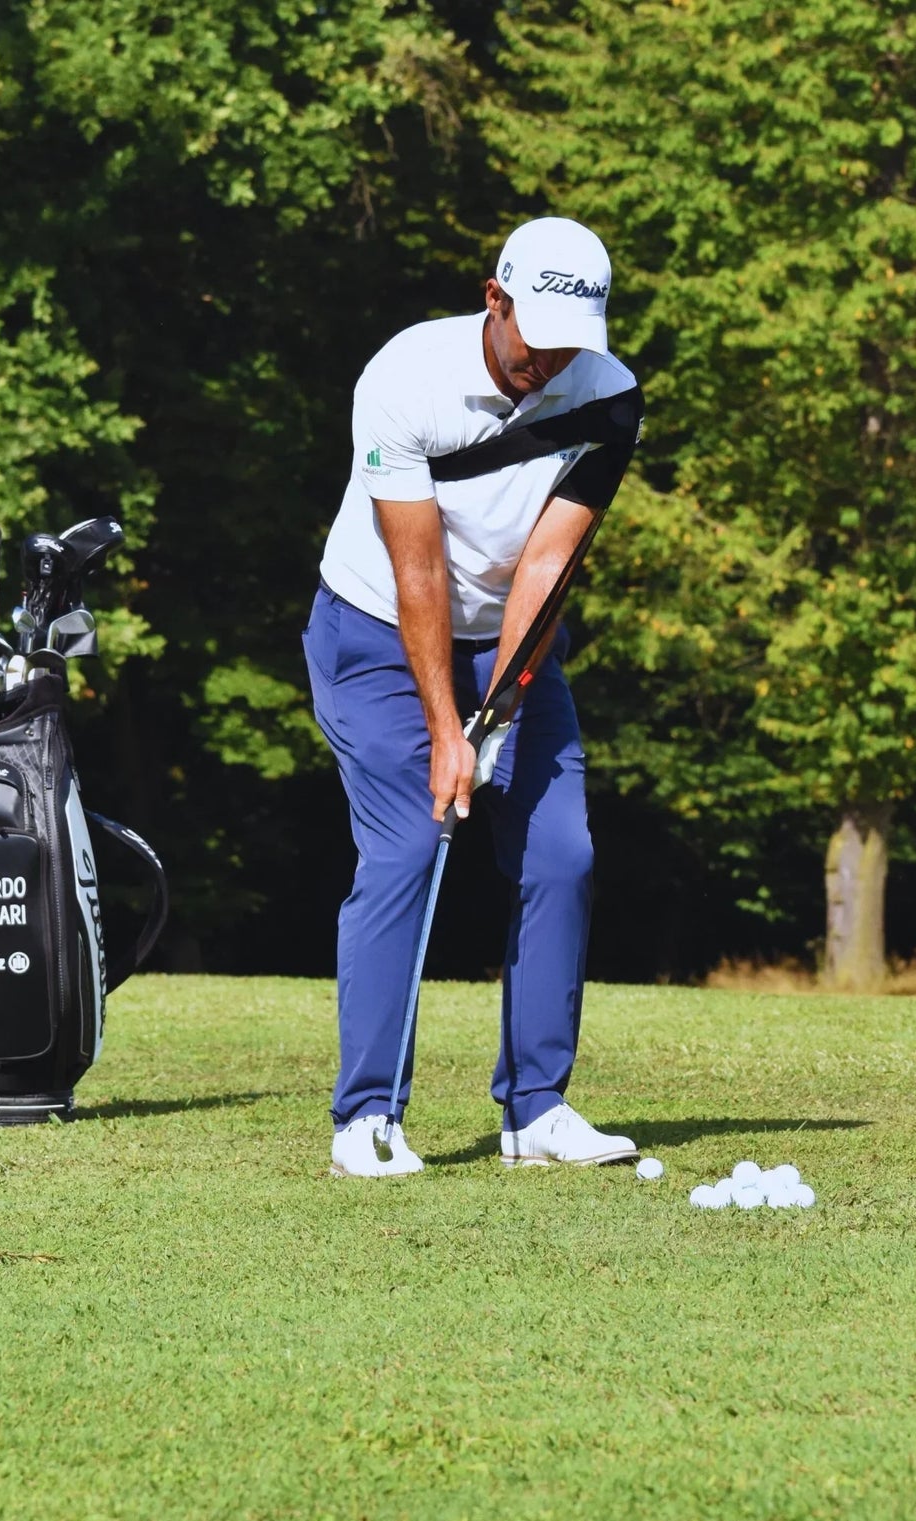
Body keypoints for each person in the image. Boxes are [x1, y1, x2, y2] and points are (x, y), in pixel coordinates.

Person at [303, 216, 644, 1177]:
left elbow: (545, 559)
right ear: (494, 300)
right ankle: (365, 1116)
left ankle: (535, 1109)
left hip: (510, 639)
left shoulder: (609, 397)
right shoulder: (403, 377)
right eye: (536, 335)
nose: (551, 360)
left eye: (571, 340)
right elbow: (419, 578)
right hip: (375, 632)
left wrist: (495, 712)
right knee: (408, 846)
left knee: (562, 853)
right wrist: (448, 730)